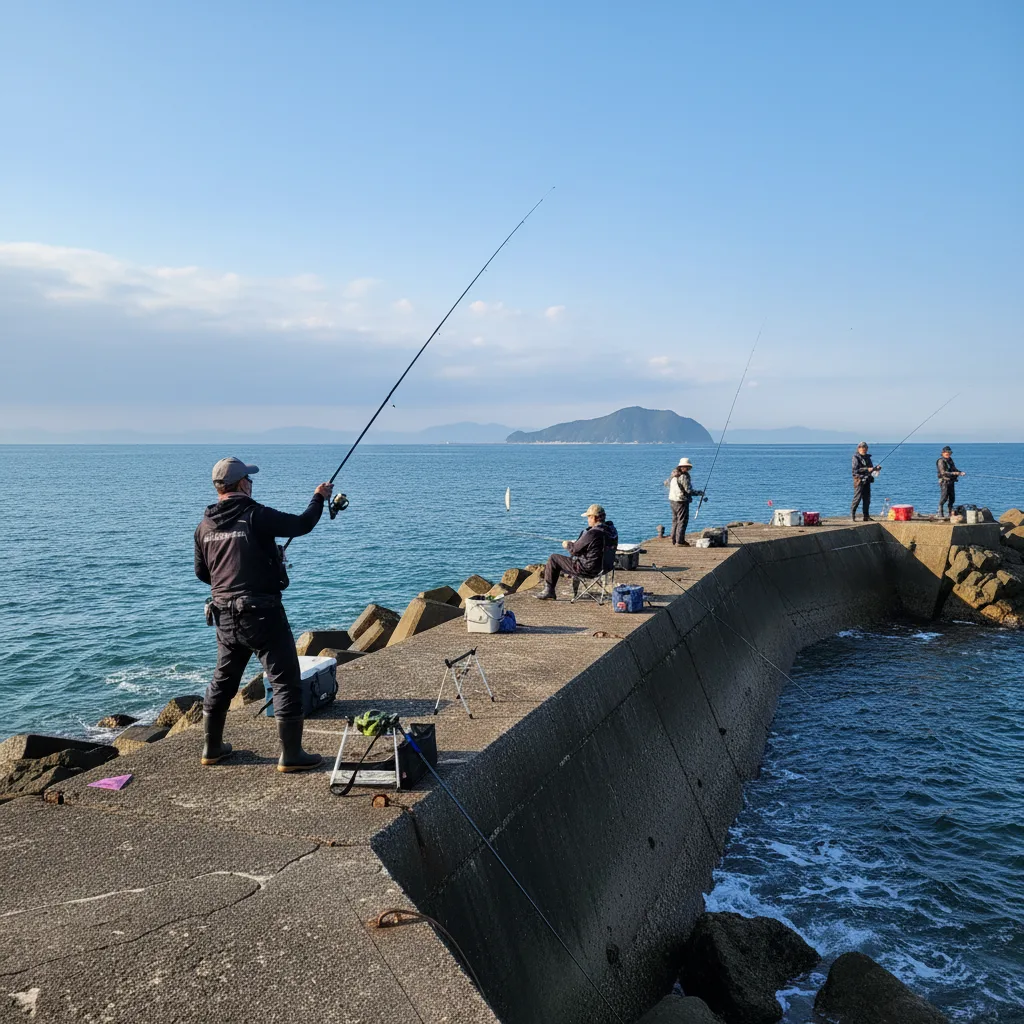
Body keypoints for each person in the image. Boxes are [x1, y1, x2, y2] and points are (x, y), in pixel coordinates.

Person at [194, 457, 333, 772]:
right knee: (285, 679)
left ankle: (212, 748)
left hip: (224, 614)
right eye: (250, 480)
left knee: (223, 680)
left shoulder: (204, 526)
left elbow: (203, 573)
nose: (251, 484)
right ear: (242, 483)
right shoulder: (256, 515)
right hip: (261, 613)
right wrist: (318, 497)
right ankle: (291, 755)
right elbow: (302, 524)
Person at [535, 503, 608, 600]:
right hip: (604, 567)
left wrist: (567, 545)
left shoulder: (593, 533)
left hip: (587, 569)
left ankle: (549, 591)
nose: (588, 520)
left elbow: (574, 550)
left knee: (553, 558)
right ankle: (550, 590)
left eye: (588, 517)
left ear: (594, 517)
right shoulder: (610, 531)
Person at [664, 457, 704, 545]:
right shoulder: (684, 476)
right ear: (682, 467)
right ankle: (680, 541)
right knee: (682, 521)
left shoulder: (673, 474)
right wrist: (700, 493)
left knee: (675, 520)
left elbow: (666, 483)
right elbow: (688, 490)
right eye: (687, 467)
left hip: (672, 500)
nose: (688, 469)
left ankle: (674, 539)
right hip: (681, 501)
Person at [850, 442, 880, 521]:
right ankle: (852, 515)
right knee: (857, 499)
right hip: (859, 480)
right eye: (862, 448)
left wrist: (876, 469)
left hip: (867, 480)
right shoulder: (855, 457)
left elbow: (871, 468)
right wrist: (867, 469)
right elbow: (855, 470)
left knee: (867, 499)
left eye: (865, 448)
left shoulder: (868, 457)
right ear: (858, 448)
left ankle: (866, 516)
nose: (864, 449)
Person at [937, 445, 965, 518]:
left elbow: (954, 469)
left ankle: (950, 513)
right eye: (946, 453)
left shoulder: (950, 460)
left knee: (952, 498)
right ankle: (940, 513)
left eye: (949, 453)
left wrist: (960, 472)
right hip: (944, 482)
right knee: (944, 498)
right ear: (943, 453)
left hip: (951, 482)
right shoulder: (940, 461)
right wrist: (955, 473)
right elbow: (943, 472)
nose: (948, 454)